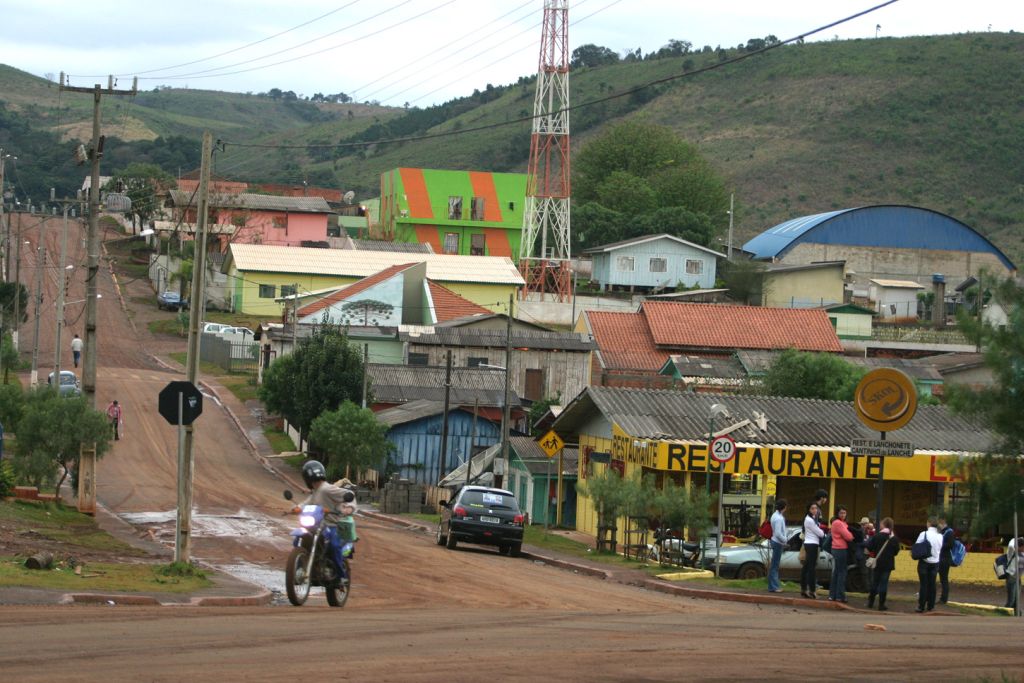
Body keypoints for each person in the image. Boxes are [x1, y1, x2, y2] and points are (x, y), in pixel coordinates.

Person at [294, 460, 357, 578]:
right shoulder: (316, 491)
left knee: (333, 545)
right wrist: (296, 508)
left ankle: (341, 576)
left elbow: (349, 494)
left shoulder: (326, 489)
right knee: (299, 537)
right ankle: (300, 568)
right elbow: (307, 503)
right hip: (319, 525)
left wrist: (348, 508)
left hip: (332, 524)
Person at [866, 517, 900, 610]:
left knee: (875, 582)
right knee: (883, 584)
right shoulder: (894, 538)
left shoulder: (877, 536)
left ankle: (870, 602)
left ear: (884, 525)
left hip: (877, 563)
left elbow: (869, 547)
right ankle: (881, 604)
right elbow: (896, 552)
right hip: (888, 564)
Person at [915, 517, 943, 612]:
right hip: (935, 562)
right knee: (932, 584)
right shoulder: (940, 536)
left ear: (929, 523)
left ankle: (921, 606)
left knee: (924, 584)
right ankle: (931, 605)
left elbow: (917, 545)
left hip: (924, 561)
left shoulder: (923, 534)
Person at [828, 505, 854, 602]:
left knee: (837, 572)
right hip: (840, 549)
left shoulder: (839, 523)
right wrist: (851, 535)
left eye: (844, 513)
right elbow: (848, 536)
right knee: (842, 573)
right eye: (841, 513)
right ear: (837, 513)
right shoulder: (838, 523)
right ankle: (840, 596)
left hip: (837, 548)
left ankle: (832, 595)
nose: (843, 515)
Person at [801, 502, 826, 599]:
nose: (815, 510)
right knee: (811, 568)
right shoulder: (809, 520)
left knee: (806, 567)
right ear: (809, 510)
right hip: (812, 544)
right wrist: (823, 532)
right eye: (812, 508)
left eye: (816, 508)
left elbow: (818, 527)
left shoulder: (812, 519)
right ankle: (812, 590)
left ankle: (804, 589)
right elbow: (820, 533)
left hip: (810, 543)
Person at [767, 498, 788, 593]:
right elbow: (778, 533)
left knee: (774, 565)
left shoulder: (774, 515)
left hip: (775, 541)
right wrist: (785, 540)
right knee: (775, 566)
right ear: (784, 507)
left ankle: (772, 586)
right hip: (778, 542)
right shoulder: (779, 518)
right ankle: (775, 587)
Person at [937, 516, 955, 604]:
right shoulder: (943, 532)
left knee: (944, 579)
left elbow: (950, 545)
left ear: (943, 523)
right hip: (941, 558)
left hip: (945, 558)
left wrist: (940, 545)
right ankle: (942, 598)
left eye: (939, 523)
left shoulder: (949, 532)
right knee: (942, 579)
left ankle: (944, 598)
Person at [1006, 536, 1023, 611]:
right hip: (1011, 577)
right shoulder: (1012, 551)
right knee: (1011, 600)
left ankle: (1016, 614)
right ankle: (1004, 613)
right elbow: (1011, 544)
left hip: (1018, 578)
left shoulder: (1022, 553)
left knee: (1016, 600)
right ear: (1020, 546)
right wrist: (1018, 541)